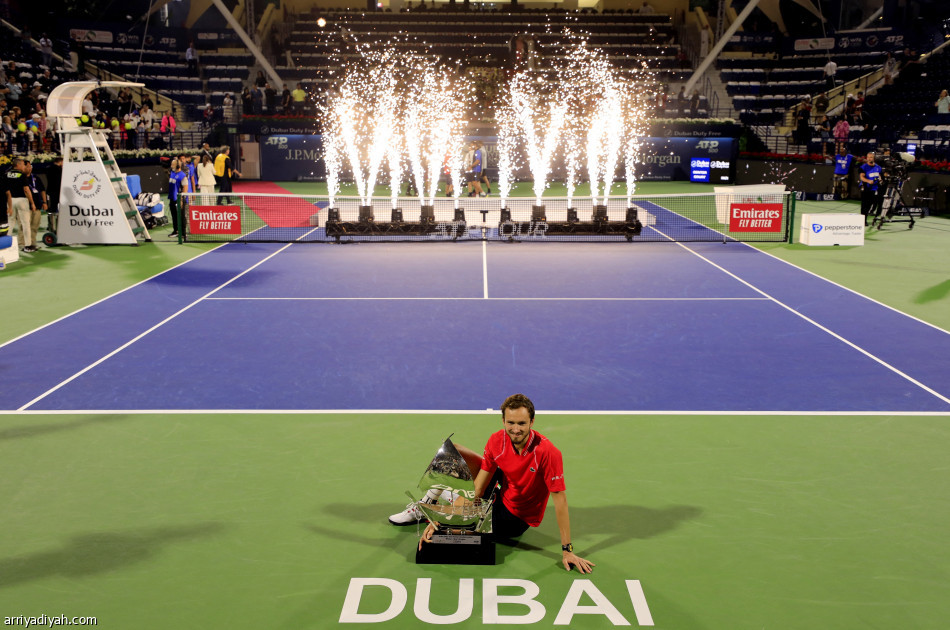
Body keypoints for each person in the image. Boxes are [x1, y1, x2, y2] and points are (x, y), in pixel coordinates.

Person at [391, 394, 595, 574]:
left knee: (468, 530)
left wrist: (567, 551)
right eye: (511, 423)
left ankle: (446, 500)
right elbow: (478, 488)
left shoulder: (548, 453)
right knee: (453, 452)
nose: (515, 430)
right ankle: (427, 503)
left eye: (522, 424)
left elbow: (560, 502)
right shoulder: (497, 440)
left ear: (532, 422)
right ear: (503, 420)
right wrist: (442, 520)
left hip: (515, 516)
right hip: (501, 484)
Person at [6, 157, 37, 251]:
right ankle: (28, 246)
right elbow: (26, 190)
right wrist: (32, 203)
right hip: (21, 200)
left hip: (10, 200)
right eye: (23, 164)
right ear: (18, 165)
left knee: (10, 223)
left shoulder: (6, 174)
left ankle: (6, 244)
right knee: (25, 223)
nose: (24, 166)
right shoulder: (22, 175)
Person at [858, 152, 883, 225]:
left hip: (874, 188)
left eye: (871, 157)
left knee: (870, 204)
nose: (869, 159)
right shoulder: (863, 167)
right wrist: (868, 181)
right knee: (864, 205)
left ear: (874, 158)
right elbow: (862, 177)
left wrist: (880, 180)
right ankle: (863, 220)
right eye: (868, 157)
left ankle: (867, 216)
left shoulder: (878, 167)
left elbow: (880, 176)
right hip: (866, 187)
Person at [167, 158, 188, 238]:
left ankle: (183, 233)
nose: (171, 165)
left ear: (178, 165)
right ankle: (175, 231)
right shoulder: (172, 172)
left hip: (179, 199)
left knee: (181, 216)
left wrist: (182, 200)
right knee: (174, 215)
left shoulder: (183, 176)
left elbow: (185, 189)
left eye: (173, 164)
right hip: (172, 198)